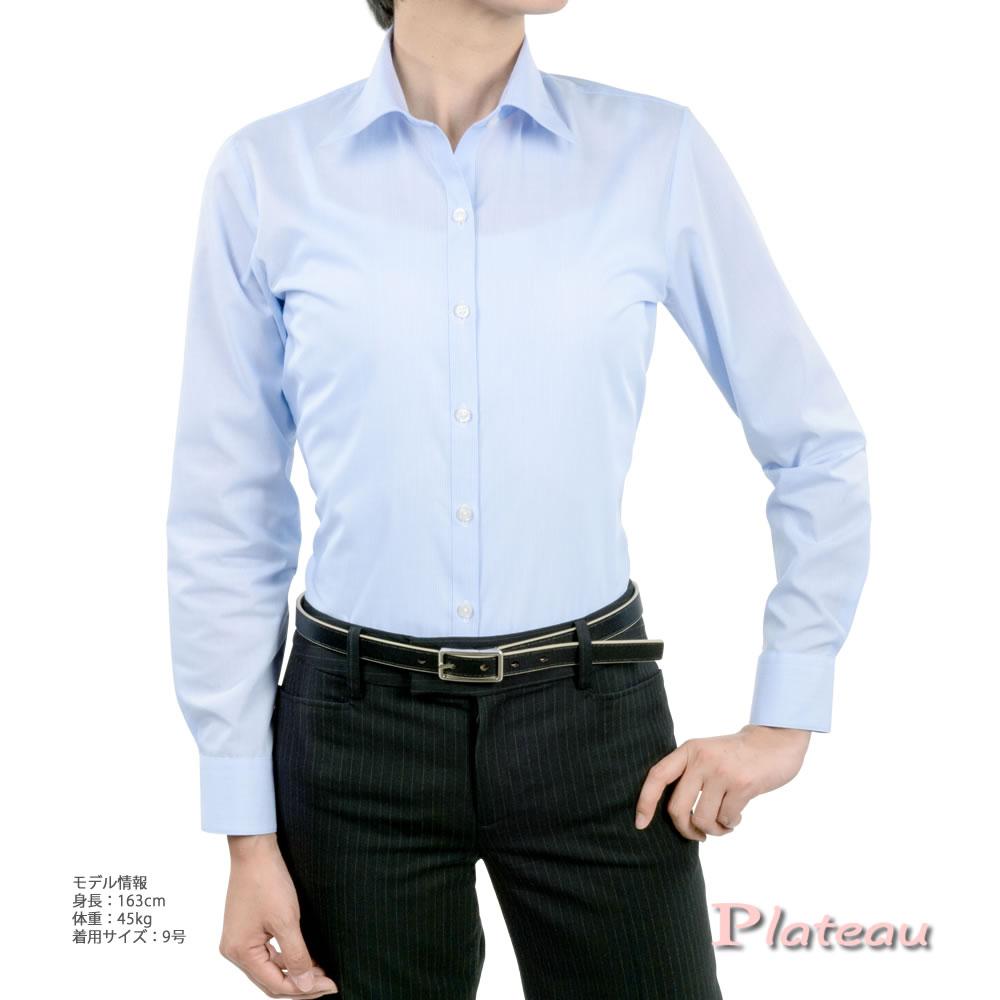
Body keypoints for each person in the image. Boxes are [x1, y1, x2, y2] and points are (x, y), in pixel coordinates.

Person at [165, 1, 871, 997]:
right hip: (352, 743)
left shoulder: (653, 154)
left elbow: (816, 445)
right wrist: (244, 834)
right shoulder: (266, 174)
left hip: (594, 727)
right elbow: (226, 510)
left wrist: (785, 717)